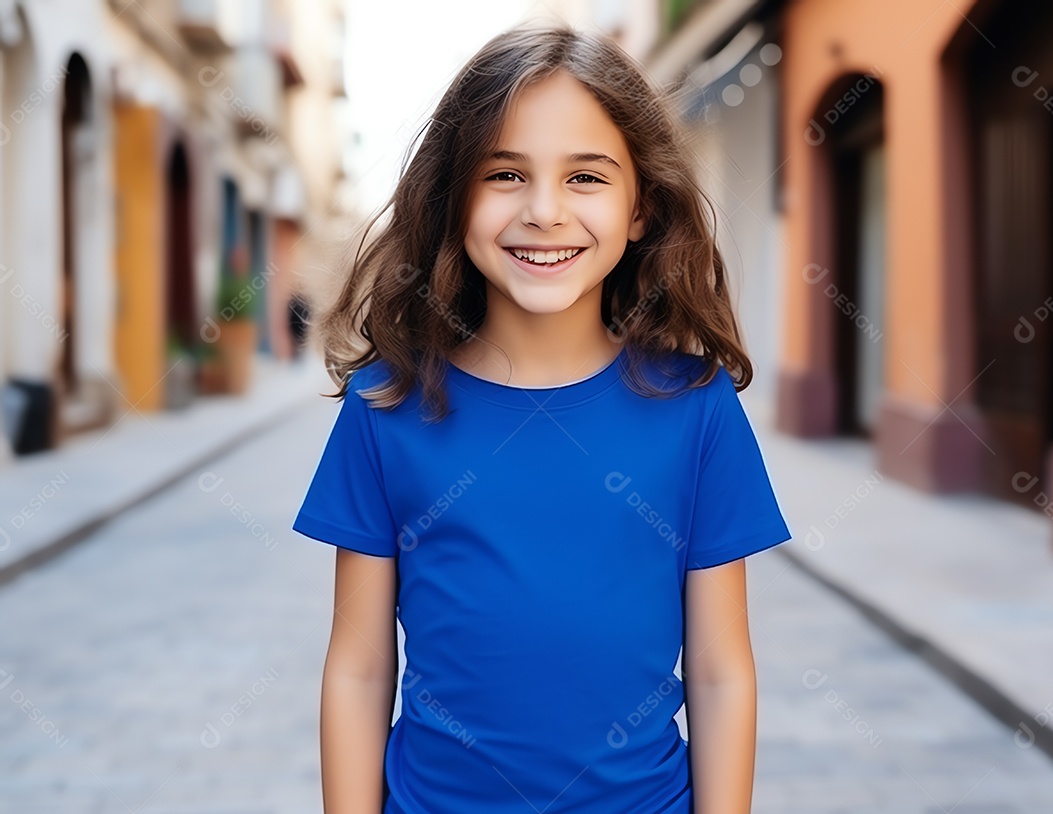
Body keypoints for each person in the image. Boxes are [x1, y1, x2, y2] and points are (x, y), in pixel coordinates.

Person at [292, 22, 792, 814]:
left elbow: (722, 671)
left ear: (640, 209)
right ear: (454, 200)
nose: (545, 211)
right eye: (505, 175)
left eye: (586, 177)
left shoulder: (697, 409)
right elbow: (356, 669)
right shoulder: (384, 407)